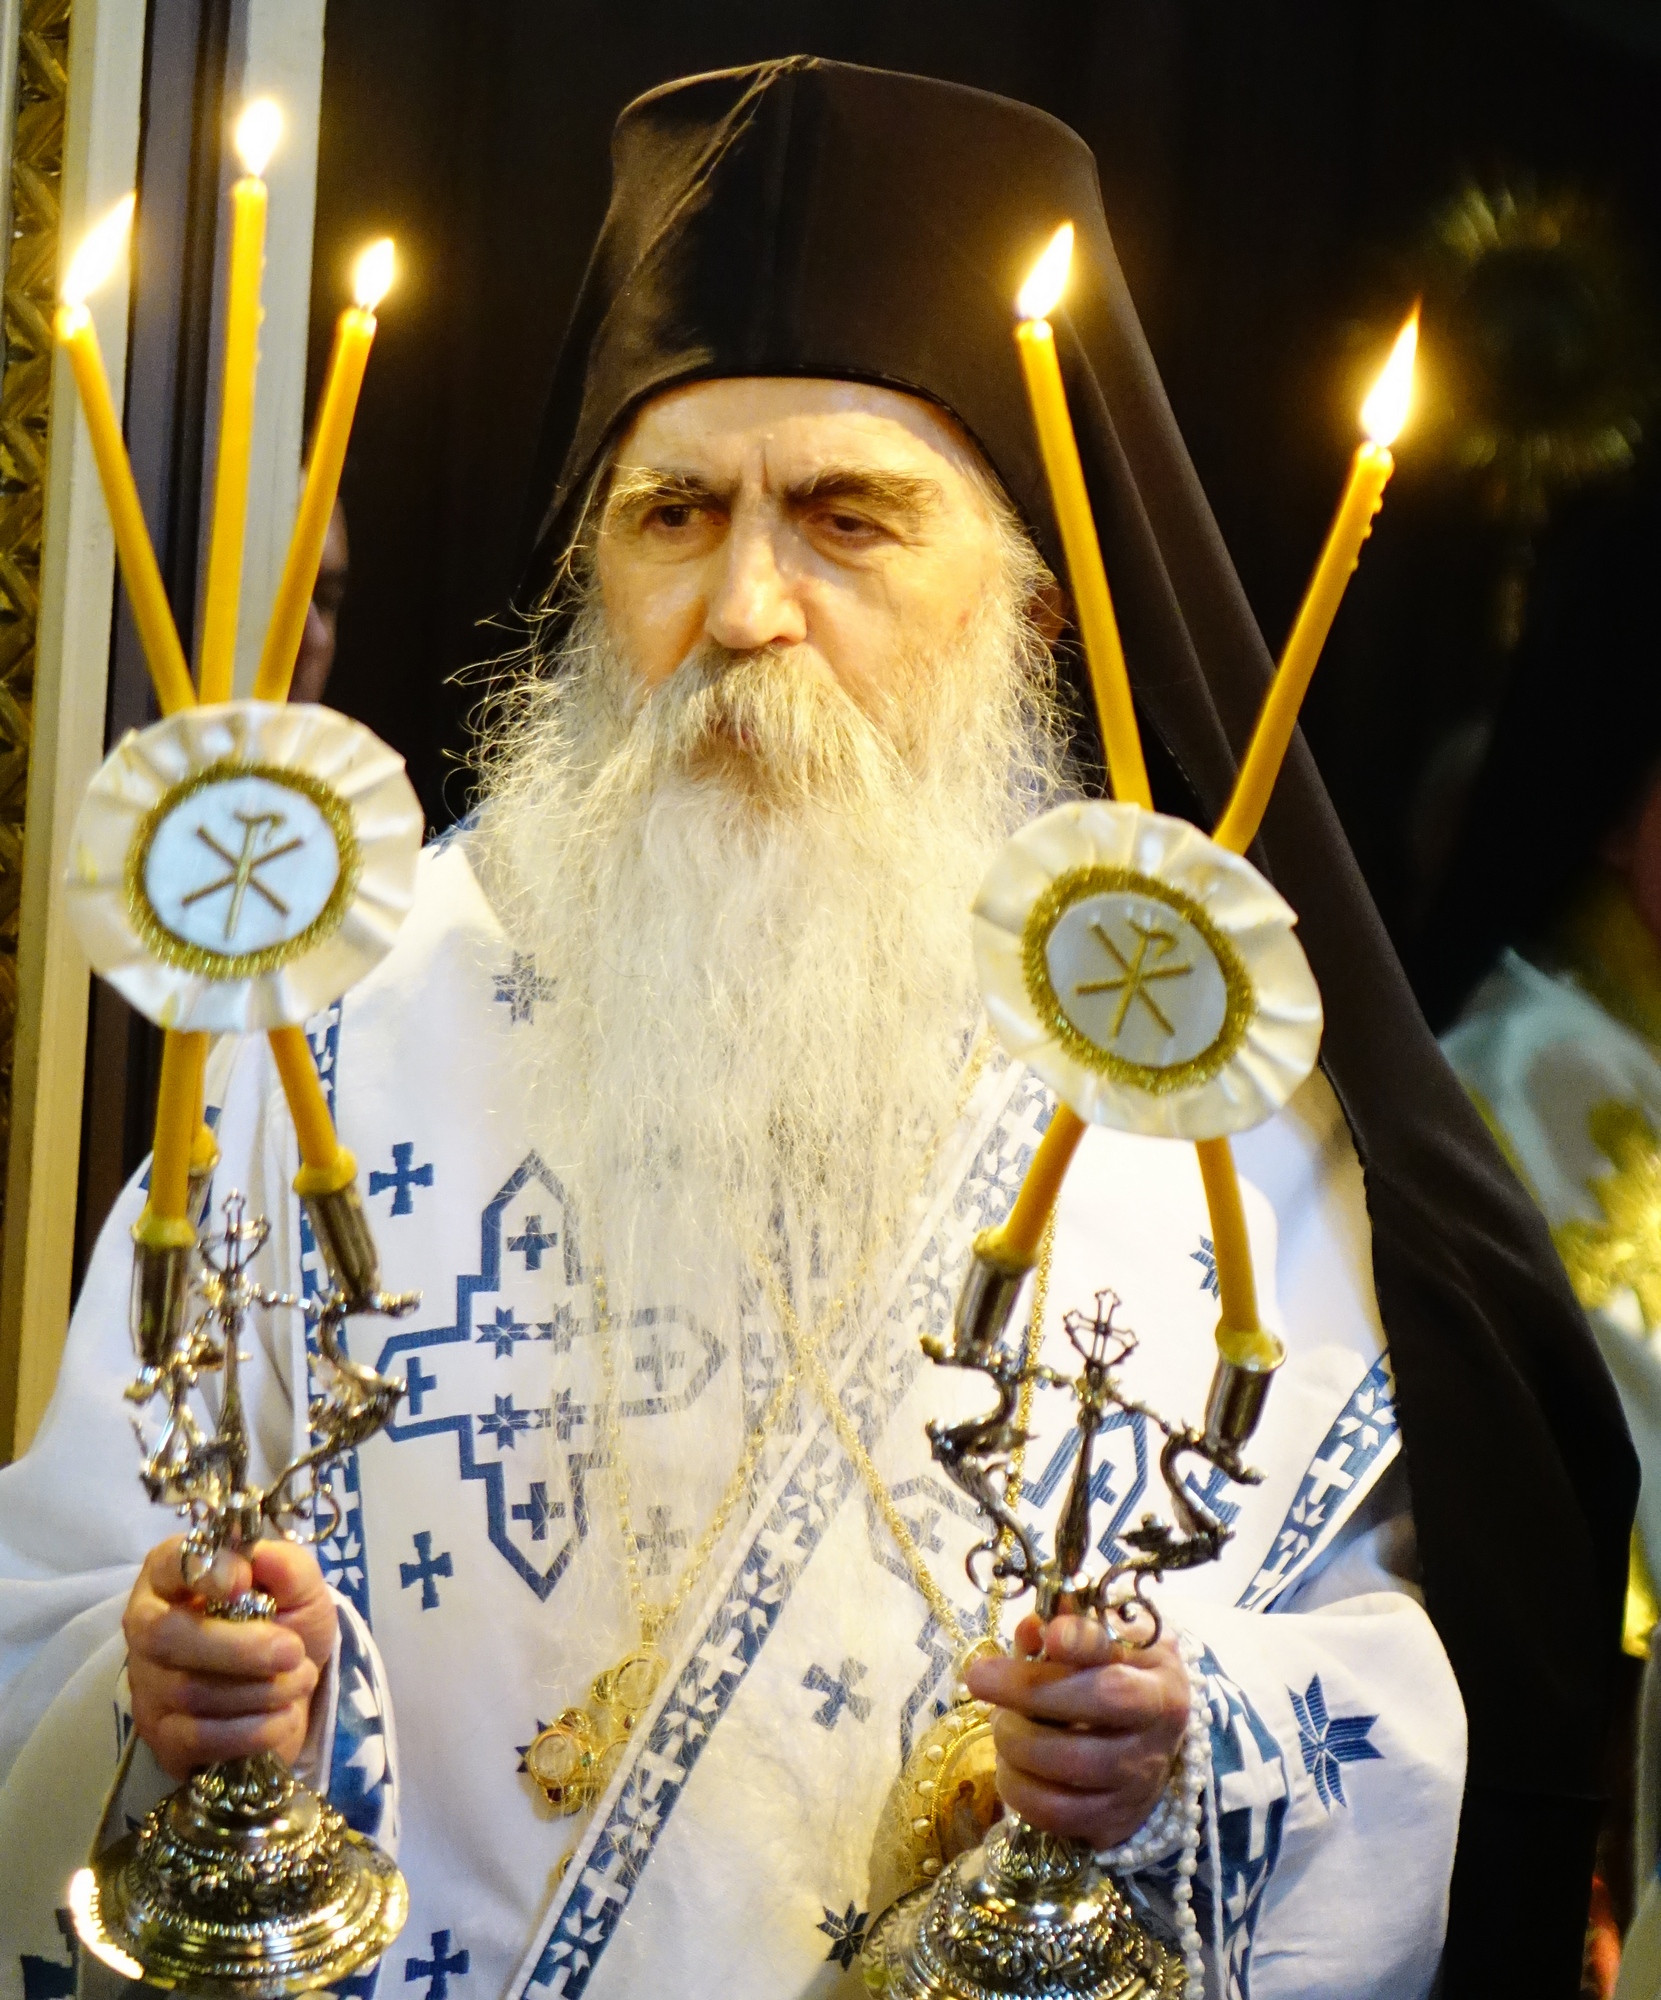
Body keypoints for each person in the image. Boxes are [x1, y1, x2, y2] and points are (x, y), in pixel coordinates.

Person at [0, 58, 1631, 2000]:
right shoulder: (334, 1036)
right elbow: (63, 1601)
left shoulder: (1192, 1077)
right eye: (674, 511)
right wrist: (183, 1692)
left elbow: (1401, 1681)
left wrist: (1178, 1743)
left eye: (850, 516)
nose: (747, 603)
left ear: (1033, 607)